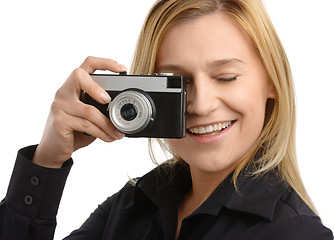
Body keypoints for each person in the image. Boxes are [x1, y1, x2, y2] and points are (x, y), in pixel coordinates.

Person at [0, 0, 333, 239]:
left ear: (272, 83)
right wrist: (47, 160)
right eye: (178, 82)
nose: (201, 105)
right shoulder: (134, 203)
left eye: (227, 77)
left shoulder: (295, 232)